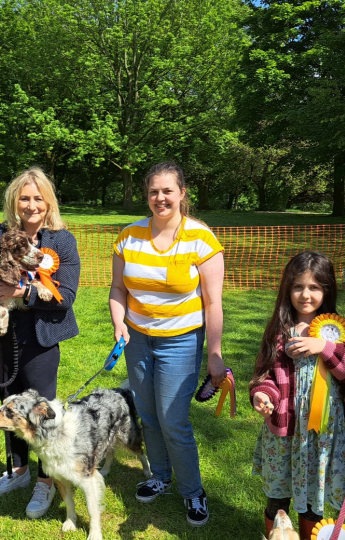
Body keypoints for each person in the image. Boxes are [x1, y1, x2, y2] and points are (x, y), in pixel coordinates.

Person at [0, 167, 80, 519]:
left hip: (40, 338)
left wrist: (22, 292)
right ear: (14, 201)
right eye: (24, 198)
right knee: (9, 407)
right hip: (1, 335)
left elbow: (66, 296)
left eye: (38, 198)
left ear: (48, 202)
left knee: (41, 412)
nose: (31, 204)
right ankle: (17, 472)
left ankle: (46, 481)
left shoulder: (61, 241)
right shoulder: (0, 235)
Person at [109, 161, 225, 527]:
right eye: (153, 191)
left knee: (173, 420)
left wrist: (215, 353)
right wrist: (118, 324)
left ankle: (193, 492)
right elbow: (117, 289)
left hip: (181, 341)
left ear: (181, 194)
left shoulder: (201, 239)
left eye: (167, 191)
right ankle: (159, 476)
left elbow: (213, 302)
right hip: (137, 339)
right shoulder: (128, 236)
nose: (160, 198)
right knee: (149, 416)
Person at [248, 252, 345, 539]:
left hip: (322, 434)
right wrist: (262, 396)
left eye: (314, 287)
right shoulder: (278, 331)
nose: (305, 294)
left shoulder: (339, 331)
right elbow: (264, 375)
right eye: (298, 286)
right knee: (278, 496)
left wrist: (325, 348)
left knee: (313, 500)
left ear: (327, 289)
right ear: (287, 289)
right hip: (284, 429)